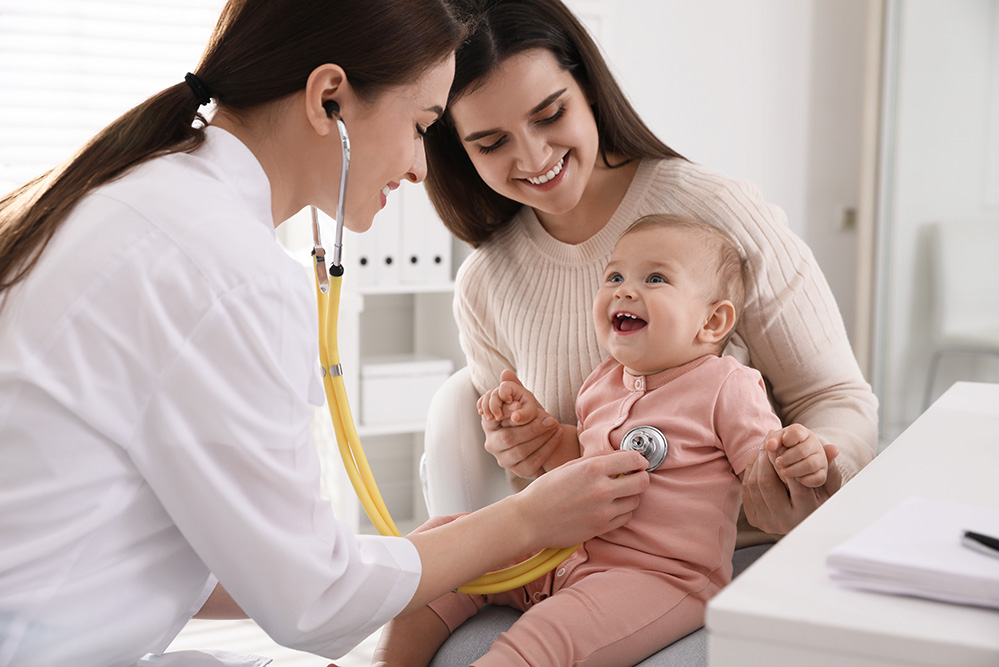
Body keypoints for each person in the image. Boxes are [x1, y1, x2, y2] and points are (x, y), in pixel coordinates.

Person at [0, 1, 653, 665]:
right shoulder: (228, 269)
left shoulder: (144, 197)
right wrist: (525, 519)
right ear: (329, 98)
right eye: (422, 124)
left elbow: (202, 553)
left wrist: (414, 556)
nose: (423, 167)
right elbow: (314, 603)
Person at [421, 0, 877, 544]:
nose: (534, 156)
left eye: (550, 115)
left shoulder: (715, 212)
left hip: (741, 555)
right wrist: (522, 447)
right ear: (458, 149)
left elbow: (836, 397)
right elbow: (538, 485)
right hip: (584, 566)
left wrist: (814, 475)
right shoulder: (486, 283)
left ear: (587, 86)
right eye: (492, 143)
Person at [376, 214, 833, 665]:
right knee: (444, 548)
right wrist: (539, 431)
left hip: (656, 576)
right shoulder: (602, 382)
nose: (624, 289)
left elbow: (763, 472)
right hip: (561, 553)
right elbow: (579, 460)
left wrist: (795, 460)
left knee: (546, 635)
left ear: (712, 322)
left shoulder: (726, 385)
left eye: (655, 278)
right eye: (614, 275)